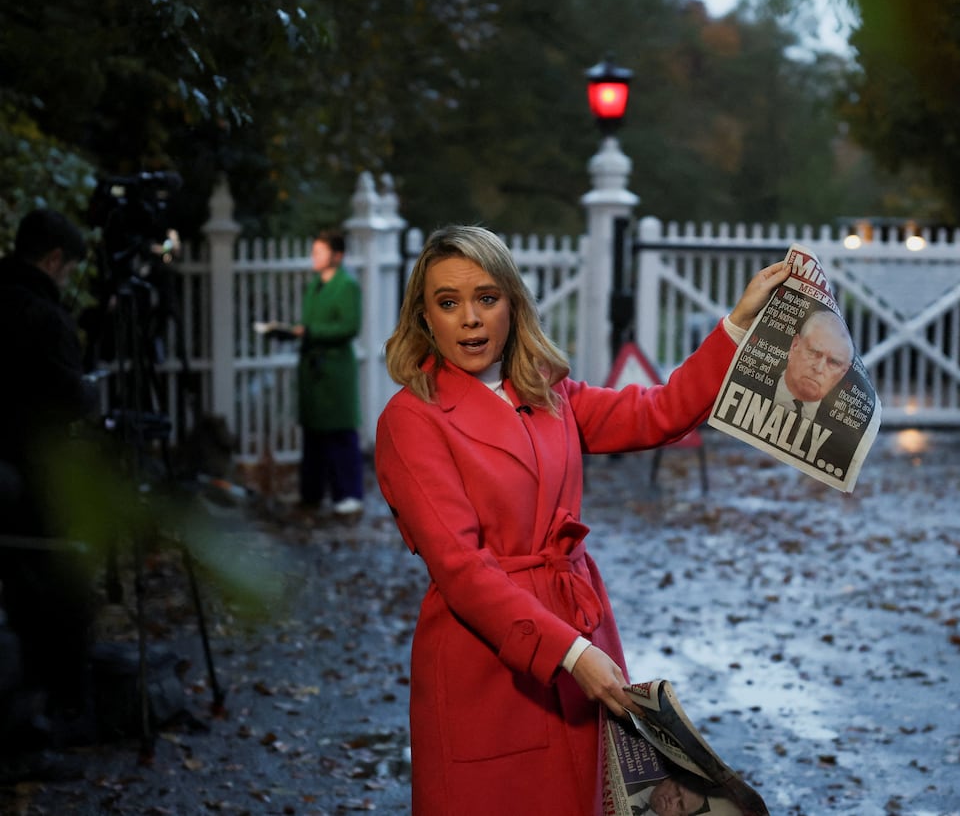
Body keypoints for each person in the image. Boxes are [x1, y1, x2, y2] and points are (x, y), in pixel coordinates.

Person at [375, 225, 787, 816]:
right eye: (448, 302)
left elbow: (661, 412)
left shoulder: (545, 389)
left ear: (513, 305)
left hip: (577, 628)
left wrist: (737, 326)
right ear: (424, 315)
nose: (469, 318)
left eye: (486, 298)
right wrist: (569, 653)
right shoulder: (411, 419)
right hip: (489, 660)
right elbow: (461, 568)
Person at [0, 209, 97, 751]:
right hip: (37, 475)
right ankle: (59, 714)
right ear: (54, 260)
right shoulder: (44, 318)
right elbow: (69, 397)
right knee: (61, 590)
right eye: (67, 270)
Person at [295, 229, 364, 517]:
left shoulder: (347, 285)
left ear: (337, 255)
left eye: (320, 252)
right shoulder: (315, 284)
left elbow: (350, 326)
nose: (315, 257)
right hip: (313, 368)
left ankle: (348, 493)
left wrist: (312, 332)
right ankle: (311, 492)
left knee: (339, 432)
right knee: (313, 432)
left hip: (334, 368)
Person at [773, 308, 853, 421]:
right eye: (814, 352)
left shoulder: (842, 426)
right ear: (795, 345)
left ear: (843, 372)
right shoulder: (754, 382)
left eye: (834, 362)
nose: (819, 368)